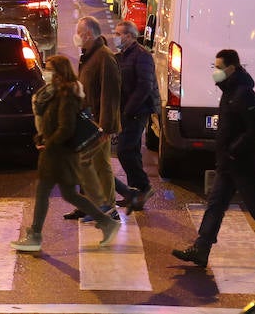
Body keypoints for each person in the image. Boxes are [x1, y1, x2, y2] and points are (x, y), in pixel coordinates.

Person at [172, 49, 255, 270]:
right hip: (228, 162)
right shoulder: (230, 90)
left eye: (219, 67)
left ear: (231, 68)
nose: (215, 72)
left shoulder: (244, 93)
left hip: (242, 163)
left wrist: (235, 149)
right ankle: (201, 248)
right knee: (215, 205)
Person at [11, 55, 120, 252]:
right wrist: (41, 138)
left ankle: (35, 236)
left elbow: (66, 127)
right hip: (59, 151)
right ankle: (106, 223)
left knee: (44, 191)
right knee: (69, 194)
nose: (47, 72)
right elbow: (52, 122)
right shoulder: (56, 91)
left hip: (58, 153)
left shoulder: (67, 93)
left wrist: (49, 144)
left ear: (60, 71)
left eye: (50, 68)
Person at [72, 16, 121, 218]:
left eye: (79, 33)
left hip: (98, 123)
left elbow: (110, 95)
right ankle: (91, 206)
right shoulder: (90, 55)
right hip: (88, 121)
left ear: (88, 34)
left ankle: (108, 208)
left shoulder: (104, 57)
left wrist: (106, 127)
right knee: (89, 165)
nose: (76, 37)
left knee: (100, 166)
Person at [113, 19, 158, 212]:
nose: (116, 38)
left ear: (130, 36)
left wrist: (128, 110)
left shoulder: (142, 56)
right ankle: (136, 192)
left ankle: (144, 187)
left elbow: (144, 86)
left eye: (118, 34)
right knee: (131, 150)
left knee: (124, 150)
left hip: (138, 110)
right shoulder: (122, 56)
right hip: (127, 110)